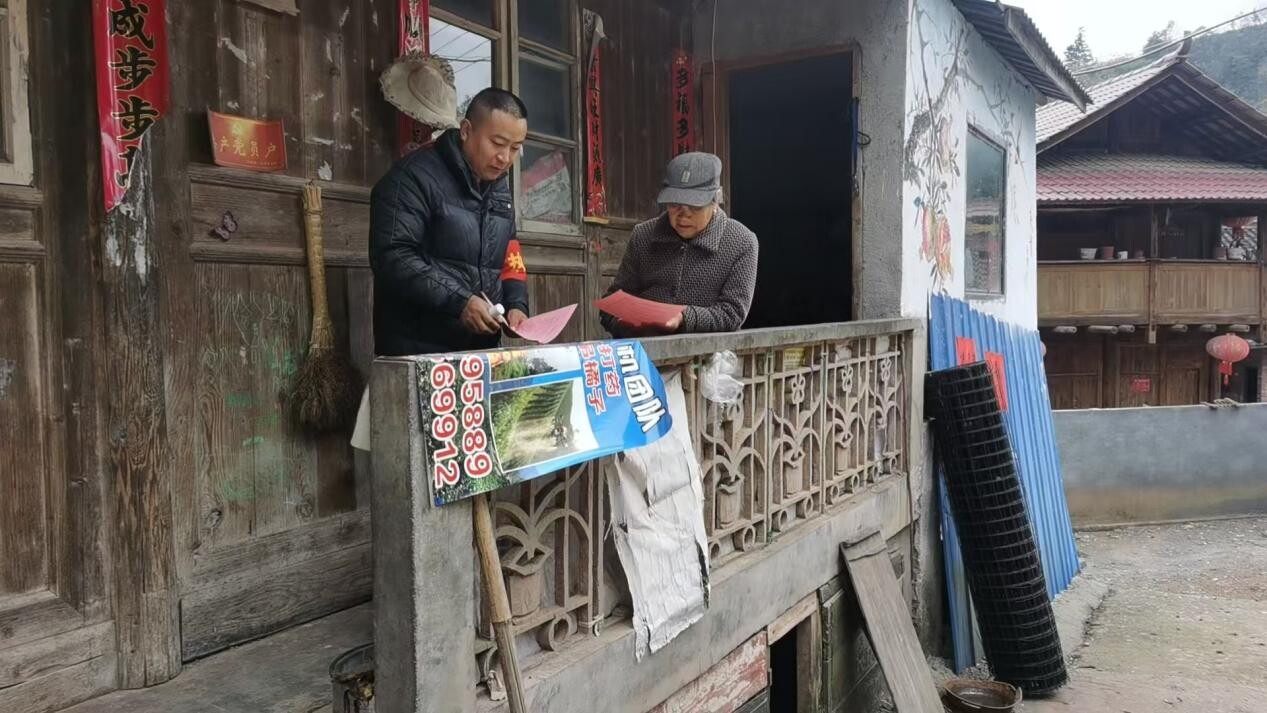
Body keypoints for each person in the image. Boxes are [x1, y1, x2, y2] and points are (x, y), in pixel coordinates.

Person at [369, 85, 532, 357]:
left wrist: (516, 305)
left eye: (515, 148)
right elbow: (393, 256)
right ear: (466, 130)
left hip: (480, 352)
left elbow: (510, 252)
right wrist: (460, 302)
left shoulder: (499, 189)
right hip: (419, 350)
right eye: (497, 143)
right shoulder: (412, 178)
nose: (505, 158)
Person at [601, 152, 758, 337]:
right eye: (675, 204)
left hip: (707, 352)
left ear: (715, 201)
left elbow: (733, 312)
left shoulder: (741, 242)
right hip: (643, 346)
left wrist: (684, 317)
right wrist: (620, 322)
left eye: (695, 206)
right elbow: (614, 301)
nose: (684, 214)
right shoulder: (643, 235)